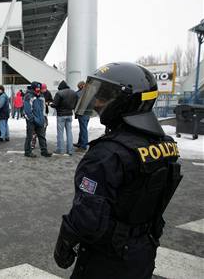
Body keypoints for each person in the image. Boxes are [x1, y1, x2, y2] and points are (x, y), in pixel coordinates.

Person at [54, 62, 182, 279]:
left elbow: (87, 217)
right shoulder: (167, 145)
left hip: (107, 258)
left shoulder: (106, 154)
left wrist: (65, 241)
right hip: (143, 249)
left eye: (104, 97)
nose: (97, 103)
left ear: (125, 102)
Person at [23, 82, 52, 157]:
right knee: (30, 136)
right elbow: (27, 110)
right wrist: (32, 119)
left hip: (40, 119)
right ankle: (27, 152)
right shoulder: (28, 96)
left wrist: (43, 118)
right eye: (37, 88)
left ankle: (44, 151)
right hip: (31, 120)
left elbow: (43, 108)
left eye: (39, 88)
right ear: (33, 88)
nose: (38, 89)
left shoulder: (41, 96)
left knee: (42, 136)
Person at [51, 81, 78, 156]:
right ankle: (70, 150)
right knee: (69, 132)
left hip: (61, 115)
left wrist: (51, 104)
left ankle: (60, 149)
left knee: (60, 133)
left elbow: (55, 104)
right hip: (69, 114)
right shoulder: (73, 93)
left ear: (60, 87)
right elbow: (76, 104)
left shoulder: (59, 93)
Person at [74, 81, 90, 152]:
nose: (79, 87)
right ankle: (80, 143)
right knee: (83, 128)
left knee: (83, 129)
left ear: (82, 85)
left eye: (79, 86)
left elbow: (76, 101)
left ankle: (83, 145)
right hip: (87, 113)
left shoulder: (81, 93)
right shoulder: (89, 92)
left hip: (82, 113)